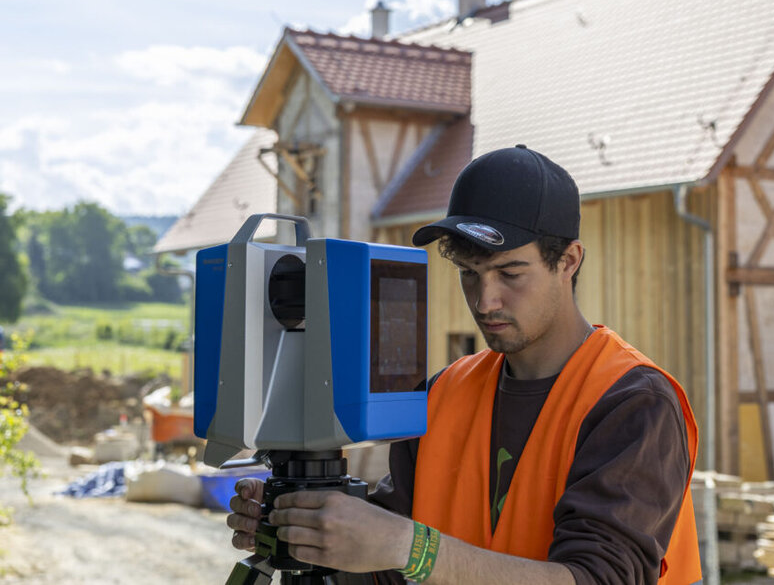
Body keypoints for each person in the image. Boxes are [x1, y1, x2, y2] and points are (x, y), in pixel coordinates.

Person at [227, 145, 702, 584]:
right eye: (468, 274)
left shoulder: (635, 402)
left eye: (510, 273)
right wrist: (310, 534)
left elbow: (599, 578)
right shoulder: (443, 393)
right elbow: (389, 570)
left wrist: (410, 548)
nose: (485, 299)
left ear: (569, 261)